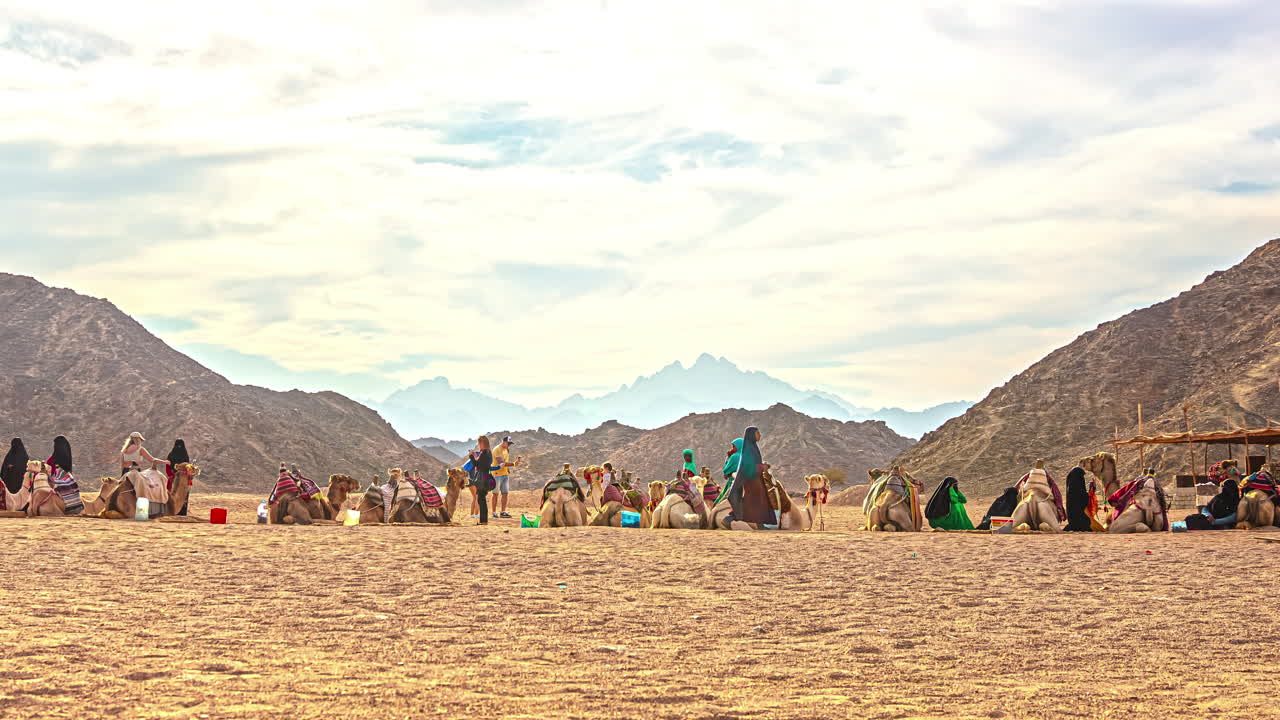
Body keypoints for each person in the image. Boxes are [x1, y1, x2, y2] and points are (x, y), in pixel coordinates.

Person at [728, 427, 773, 527]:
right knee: (754, 503)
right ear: (751, 435)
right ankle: (730, 519)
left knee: (758, 503)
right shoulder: (748, 449)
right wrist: (762, 467)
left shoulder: (753, 447)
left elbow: (752, 463)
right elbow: (748, 467)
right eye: (757, 433)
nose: (760, 435)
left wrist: (761, 465)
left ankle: (760, 524)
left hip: (756, 480)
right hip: (751, 482)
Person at [468, 435, 495, 525]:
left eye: (479, 443)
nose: (478, 445)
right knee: (481, 499)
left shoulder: (484, 453)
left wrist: (471, 457)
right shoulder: (488, 453)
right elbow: (482, 463)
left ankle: (483, 521)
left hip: (482, 479)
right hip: (486, 477)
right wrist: (476, 456)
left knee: (481, 500)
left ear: (482, 443)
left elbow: (477, 465)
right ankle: (484, 520)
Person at [490, 436, 516, 519]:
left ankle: (503, 512)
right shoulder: (497, 449)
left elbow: (505, 460)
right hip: (496, 475)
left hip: (505, 474)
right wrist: (514, 464)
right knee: (495, 494)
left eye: (510, 444)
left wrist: (507, 470)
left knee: (505, 493)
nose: (509, 445)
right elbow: (501, 462)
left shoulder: (507, 449)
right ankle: (494, 512)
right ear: (503, 441)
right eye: (508, 443)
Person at [165, 439, 192, 515]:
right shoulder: (171, 455)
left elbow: (188, 466)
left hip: (184, 479)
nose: (179, 447)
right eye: (177, 445)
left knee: (184, 495)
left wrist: (187, 474)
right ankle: (172, 511)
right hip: (173, 478)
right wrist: (171, 475)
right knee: (172, 495)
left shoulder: (185, 455)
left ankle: (182, 513)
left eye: (180, 445)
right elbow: (168, 466)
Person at [1, 438, 29, 511]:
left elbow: (26, 468)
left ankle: (22, 507)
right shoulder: (9, 456)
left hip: (20, 481)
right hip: (10, 481)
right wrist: (8, 467)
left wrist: (15, 467)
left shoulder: (24, 456)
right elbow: (4, 468)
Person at [1064, 467, 1093, 532]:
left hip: (1072, 519)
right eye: (1082, 476)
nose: (1082, 478)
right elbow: (1083, 500)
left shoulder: (1071, 488)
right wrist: (1091, 491)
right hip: (1080, 520)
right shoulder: (1077, 488)